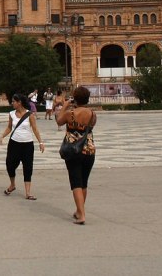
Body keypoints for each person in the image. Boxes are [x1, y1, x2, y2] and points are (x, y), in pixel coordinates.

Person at [56, 86, 97, 225]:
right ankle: (79, 211)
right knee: (83, 183)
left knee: (76, 183)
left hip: (73, 151)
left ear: (75, 98)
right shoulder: (92, 114)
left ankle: (82, 215)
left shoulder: (70, 113)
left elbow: (59, 121)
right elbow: (91, 127)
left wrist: (64, 106)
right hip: (89, 150)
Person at [0, 93, 45, 200]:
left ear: (19, 103)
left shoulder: (30, 115)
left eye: (14, 101)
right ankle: (12, 184)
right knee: (10, 164)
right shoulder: (11, 114)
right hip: (14, 143)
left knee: (28, 167)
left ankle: (28, 192)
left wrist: (41, 142)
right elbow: (9, 128)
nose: (12, 103)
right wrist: (2, 136)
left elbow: (35, 129)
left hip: (27, 144)